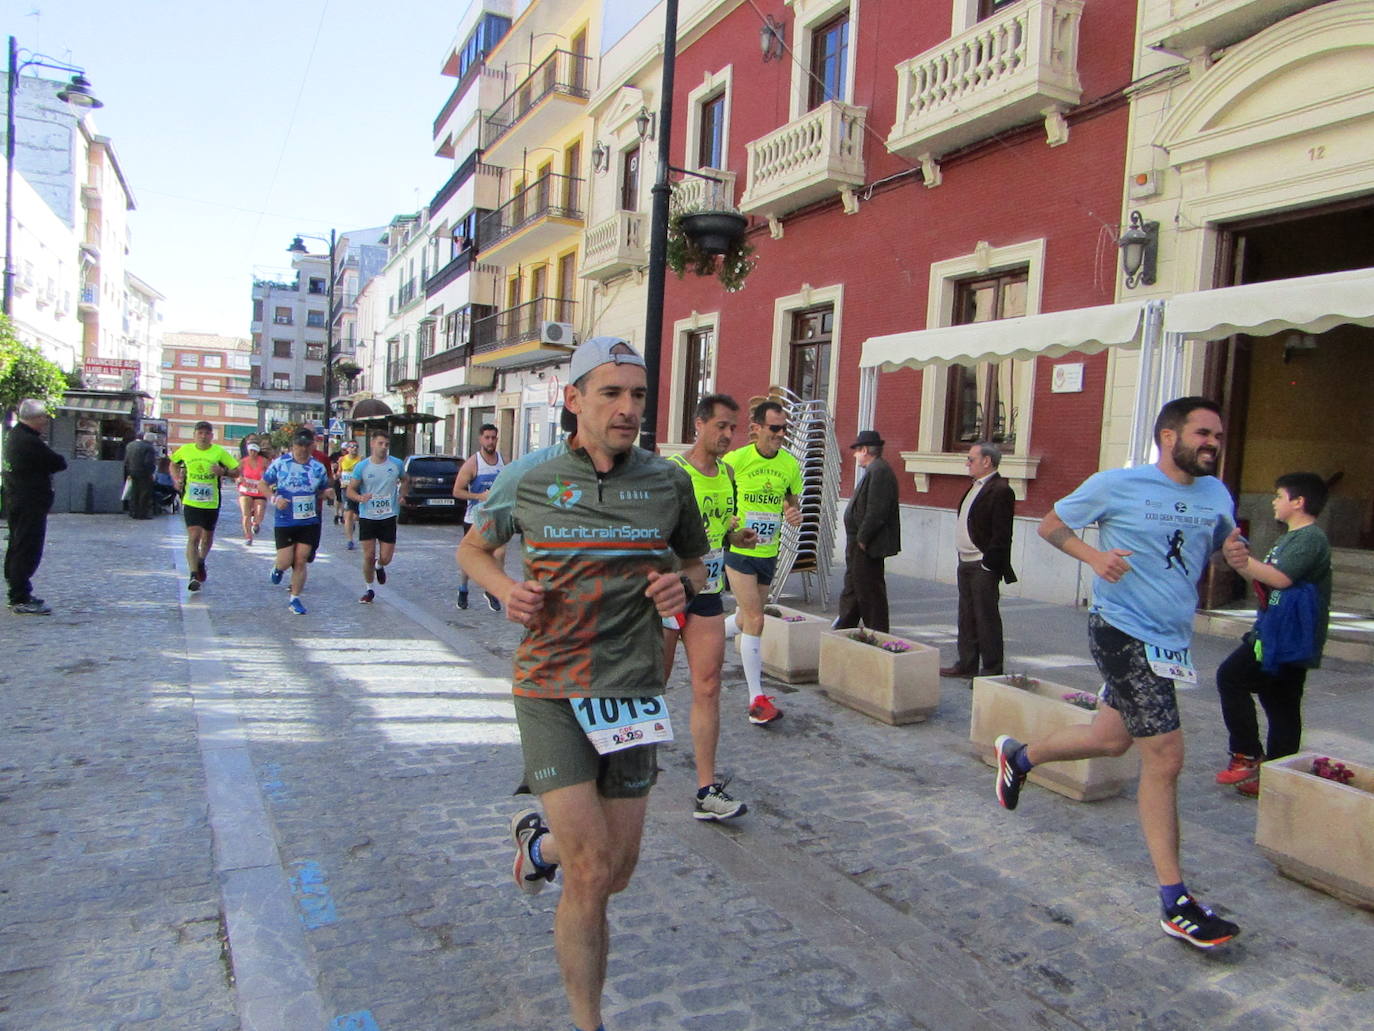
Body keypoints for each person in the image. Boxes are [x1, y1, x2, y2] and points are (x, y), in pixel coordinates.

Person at [457, 336, 708, 1031]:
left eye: (637, 394)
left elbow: (698, 564)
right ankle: (586, 1022)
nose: (629, 408)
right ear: (573, 400)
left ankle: (537, 847)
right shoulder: (530, 478)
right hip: (549, 685)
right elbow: (474, 547)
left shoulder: (668, 481)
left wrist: (677, 585)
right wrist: (506, 589)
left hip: (631, 687)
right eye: (612, 393)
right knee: (591, 871)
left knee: (617, 871)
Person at [993, 397, 1241, 950]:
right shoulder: (1118, 485)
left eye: (1218, 436)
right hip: (1123, 631)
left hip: (1170, 641)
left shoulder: (1215, 494)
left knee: (1110, 740)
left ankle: (1019, 756)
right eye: (1203, 433)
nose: (1213, 444)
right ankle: (1175, 901)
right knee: (1166, 757)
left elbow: (1223, 541)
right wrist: (1092, 556)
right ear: (1168, 437)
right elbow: (1052, 524)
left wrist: (1236, 552)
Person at [663, 393, 756, 821]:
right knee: (650, 687)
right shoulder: (672, 473)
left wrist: (738, 537)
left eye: (732, 428)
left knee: (709, 686)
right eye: (720, 426)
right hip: (667, 593)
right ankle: (619, 769)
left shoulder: (730, 474)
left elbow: (723, 531)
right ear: (698, 424)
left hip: (708, 594)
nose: (727, 435)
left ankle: (706, 789)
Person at [1214, 472, 1332, 797]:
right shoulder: (1289, 537)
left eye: (1279, 496)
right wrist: (1241, 562)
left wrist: (1244, 562)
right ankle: (1279, 777)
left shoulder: (1310, 538)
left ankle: (1247, 755)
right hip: (1278, 632)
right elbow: (1266, 576)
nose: (1274, 502)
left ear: (1299, 502)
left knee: (1231, 677)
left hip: (1286, 637)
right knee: (1280, 703)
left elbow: (1280, 578)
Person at [721, 400, 804, 725]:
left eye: (785, 429)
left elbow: (791, 501)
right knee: (756, 619)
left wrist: (792, 513)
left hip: (768, 553)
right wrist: (730, 524)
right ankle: (756, 701)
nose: (781, 434)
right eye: (774, 428)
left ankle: (701, 631)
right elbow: (719, 496)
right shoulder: (736, 460)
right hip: (740, 550)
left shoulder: (788, 464)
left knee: (744, 619)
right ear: (755, 428)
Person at [940, 441, 1018, 678]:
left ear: (987, 461)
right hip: (965, 560)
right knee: (966, 614)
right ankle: (967, 663)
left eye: (971, 459)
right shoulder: (974, 486)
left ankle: (992, 668)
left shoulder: (1001, 490)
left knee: (986, 617)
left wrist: (988, 563)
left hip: (982, 563)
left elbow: (1002, 533)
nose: (967, 464)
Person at [3, 398, 67, 614]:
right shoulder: (28, 441)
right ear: (36, 418)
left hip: (19, 499)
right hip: (28, 501)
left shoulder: (14, 436)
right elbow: (58, 462)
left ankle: (19, 591)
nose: (46, 421)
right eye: (43, 417)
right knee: (26, 547)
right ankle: (19, 596)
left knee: (19, 545)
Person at [834, 429, 901, 633]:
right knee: (854, 588)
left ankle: (878, 634)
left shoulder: (879, 471)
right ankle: (844, 629)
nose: (854, 455)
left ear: (865, 450)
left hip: (867, 544)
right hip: (860, 542)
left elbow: (877, 510)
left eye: (856, 450)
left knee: (869, 591)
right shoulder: (874, 470)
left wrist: (862, 539)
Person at [263, 427, 334, 615]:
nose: (302, 449)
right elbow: (263, 483)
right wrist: (274, 499)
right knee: (286, 561)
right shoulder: (280, 463)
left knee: (301, 559)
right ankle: (278, 568)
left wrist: (327, 494)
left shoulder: (317, 467)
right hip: (285, 520)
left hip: (308, 520)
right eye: (298, 445)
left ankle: (295, 599)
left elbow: (323, 490)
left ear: (312, 446)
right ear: (293, 445)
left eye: (305, 445)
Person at [169, 421, 241, 593]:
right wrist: (176, 478)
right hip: (191, 501)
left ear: (211, 436)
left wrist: (223, 472)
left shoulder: (219, 452)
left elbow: (237, 471)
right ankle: (193, 575)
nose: (203, 436)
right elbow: (172, 463)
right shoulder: (186, 450)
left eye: (206, 433)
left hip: (211, 501)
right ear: (194, 434)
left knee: (207, 538)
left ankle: (201, 560)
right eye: (200, 433)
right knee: (194, 535)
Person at [347, 431, 407, 604]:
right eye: (380, 443)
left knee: (386, 557)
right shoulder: (362, 466)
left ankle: (380, 566)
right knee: (368, 555)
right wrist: (360, 498)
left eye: (386, 444)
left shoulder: (396, 463)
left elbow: (405, 479)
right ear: (372, 444)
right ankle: (369, 588)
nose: (384, 447)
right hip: (368, 515)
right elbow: (350, 490)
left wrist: (402, 494)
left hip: (388, 515)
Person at [452, 423, 505, 612]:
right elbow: (457, 491)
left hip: (496, 517)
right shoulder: (472, 464)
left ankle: (491, 589)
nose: (490, 441)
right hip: (474, 519)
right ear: (480, 439)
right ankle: (463, 589)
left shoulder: (502, 461)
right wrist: (478, 496)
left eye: (493, 437)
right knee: (470, 559)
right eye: (487, 438)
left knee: (499, 553)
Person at [237, 441, 269, 545]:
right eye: (251, 450)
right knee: (245, 514)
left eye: (255, 451)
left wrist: (267, 482)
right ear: (248, 450)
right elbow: (236, 473)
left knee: (259, 511)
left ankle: (256, 523)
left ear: (258, 451)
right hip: (245, 491)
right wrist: (239, 478)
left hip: (259, 492)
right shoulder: (243, 461)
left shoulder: (264, 461)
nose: (253, 453)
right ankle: (248, 537)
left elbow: (270, 474)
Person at [123, 432, 157, 519]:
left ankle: (133, 512)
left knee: (134, 492)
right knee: (144, 493)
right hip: (144, 473)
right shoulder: (149, 448)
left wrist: (128, 472)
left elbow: (126, 460)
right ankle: (142, 513)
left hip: (132, 472)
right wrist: (151, 473)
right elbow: (148, 462)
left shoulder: (130, 445)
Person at [335, 439, 362, 548]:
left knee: (357, 516)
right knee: (348, 514)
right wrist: (337, 475)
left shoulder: (361, 460)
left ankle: (353, 523)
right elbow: (339, 472)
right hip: (346, 489)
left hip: (358, 489)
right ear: (347, 449)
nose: (354, 448)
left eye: (356, 446)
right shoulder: (342, 459)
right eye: (351, 446)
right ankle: (350, 540)